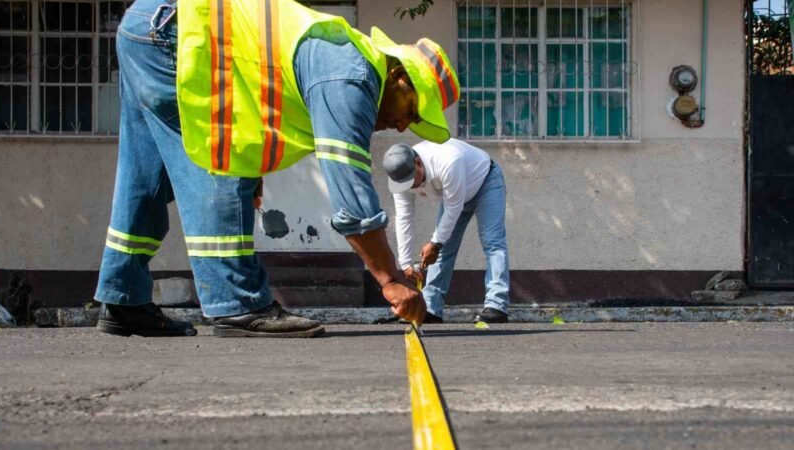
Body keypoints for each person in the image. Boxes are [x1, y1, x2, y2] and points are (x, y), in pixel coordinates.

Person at [94, 0, 460, 337]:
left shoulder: (340, 58)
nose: (400, 127)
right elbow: (350, 188)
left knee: (145, 174)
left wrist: (254, 173)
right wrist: (390, 280)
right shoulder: (352, 76)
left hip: (152, 25)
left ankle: (122, 294)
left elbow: (252, 101)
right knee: (220, 158)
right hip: (180, 31)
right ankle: (238, 302)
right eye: (410, 112)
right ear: (399, 77)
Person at [383, 140, 510, 323]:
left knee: (493, 243)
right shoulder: (400, 178)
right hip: (455, 196)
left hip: (486, 183)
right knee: (442, 251)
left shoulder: (448, 160)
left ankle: (496, 306)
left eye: (412, 180)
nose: (411, 186)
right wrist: (405, 264)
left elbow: (453, 208)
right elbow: (404, 218)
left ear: (418, 162)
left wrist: (435, 243)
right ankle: (430, 309)